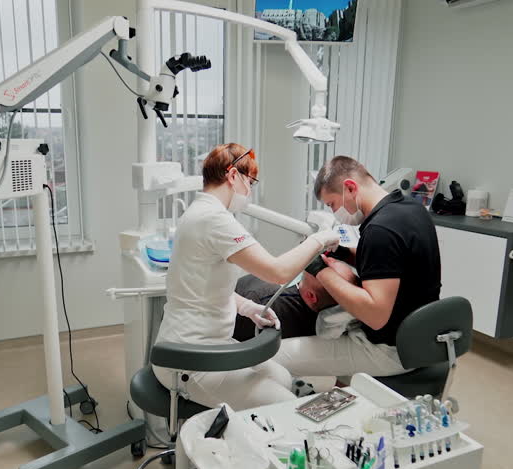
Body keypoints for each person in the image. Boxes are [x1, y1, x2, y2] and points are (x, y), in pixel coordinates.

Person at [153, 143, 341, 409]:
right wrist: (319, 239)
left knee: (283, 378)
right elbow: (278, 272)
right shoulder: (214, 219)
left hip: (210, 345)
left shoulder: (198, 213)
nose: (250, 191)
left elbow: (203, 285)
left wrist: (247, 307)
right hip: (190, 360)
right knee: (283, 406)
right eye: (250, 182)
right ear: (232, 176)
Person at [271, 155, 441, 380]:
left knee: (276, 357)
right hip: (419, 340)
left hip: (389, 352)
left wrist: (318, 269)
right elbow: (388, 264)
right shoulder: (410, 209)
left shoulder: (381, 230)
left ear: (350, 188)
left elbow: (375, 315)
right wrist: (341, 252)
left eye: (332, 204)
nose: (334, 213)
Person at [231, 264, 356, 341]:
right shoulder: (329, 314)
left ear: (311, 296)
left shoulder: (263, 303)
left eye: (327, 267)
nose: (324, 258)